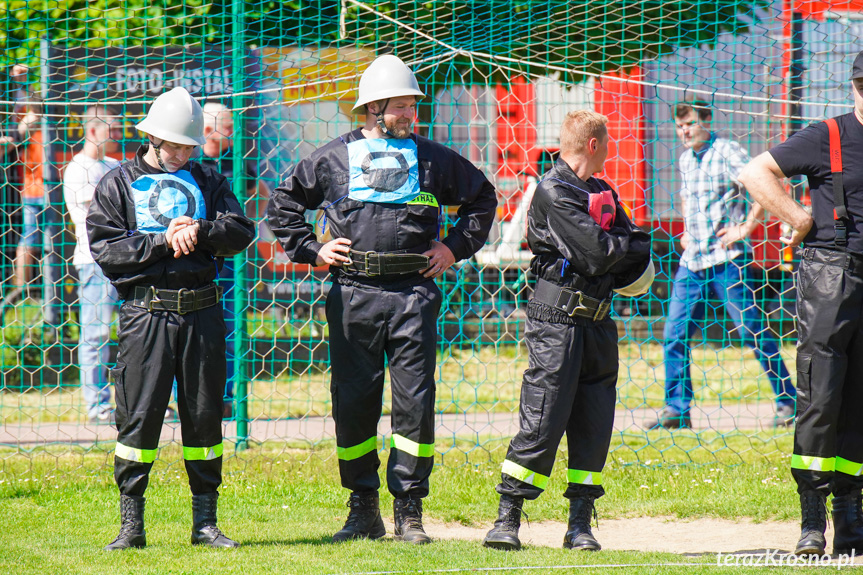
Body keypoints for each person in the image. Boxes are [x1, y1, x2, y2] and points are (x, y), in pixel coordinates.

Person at [267, 54, 497, 544]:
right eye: (401, 106)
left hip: (414, 294)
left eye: (413, 105)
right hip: (353, 294)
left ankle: (409, 511)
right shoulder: (333, 158)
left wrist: (453, 248)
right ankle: (362, 509)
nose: (411, 114)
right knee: (354, 403)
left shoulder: (434, 159)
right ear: (373, 108)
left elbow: (482, 198)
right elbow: (283, 202)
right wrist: (313, 248)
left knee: (415, 403)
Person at [87, 87, 255, 550]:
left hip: (202, 312)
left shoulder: (208, 180)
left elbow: (241, 229)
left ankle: (205, 524)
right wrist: (163, 241)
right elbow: (107, 249)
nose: (184, 154)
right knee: (138, 418)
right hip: (146, 316)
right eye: (176, 146)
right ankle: (131, 525)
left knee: (203, 418)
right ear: (153, 139)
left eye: (189, 146)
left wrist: (200, 230)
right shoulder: (117, 184)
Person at [481, 110, 653, 552]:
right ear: (593, 144)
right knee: (544, 414)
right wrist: (624, 243)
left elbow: (637, 250)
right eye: (608, 139)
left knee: (595, 421)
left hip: (598, 320)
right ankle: (508, 519)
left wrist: (626, 243)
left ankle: (579, 525)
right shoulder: (554, 191)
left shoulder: (602, 189)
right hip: (556, 320)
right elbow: (599, 254)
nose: (612, 146)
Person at [738, 51, 863, 557]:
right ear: (858, 85)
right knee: (820, 397)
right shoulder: (827, 135)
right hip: (831, 276)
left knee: (858, 402)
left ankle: (851, 520)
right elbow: (755, 172)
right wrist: (799, 218)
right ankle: (813, 521)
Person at [646, 100, 796, 430]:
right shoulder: (686, 159)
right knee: (675, 334)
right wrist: (685, 231)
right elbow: (687, 198)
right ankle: (677, 410)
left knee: (751, 331)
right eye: (679, 125)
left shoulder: (727, 151)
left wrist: (747, 228)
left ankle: (789, 402)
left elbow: (766, 183)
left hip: (727, 259)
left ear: (706, 121)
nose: (683, 131)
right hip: (692, 262)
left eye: (689, 124)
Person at [200, 102, 269, 419]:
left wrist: (246, 226)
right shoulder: (188, 159)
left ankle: (225, 398)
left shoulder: (237, 163)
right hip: (192, 259)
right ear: (206, 129)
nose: (233, 132)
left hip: (227, 264)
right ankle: (179, 397)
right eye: (228, 126)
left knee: (226, 329)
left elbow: (263, 193)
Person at [63, 105, 122, 424]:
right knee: (96, 334)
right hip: (96, 261)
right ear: (93, 131)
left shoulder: (114, 165)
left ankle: (138, 402)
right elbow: (106, 212)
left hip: (127, 260)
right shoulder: (77, 168)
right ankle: (97, 406)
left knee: (138, 332)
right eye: (112, 129)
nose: (118, 135)